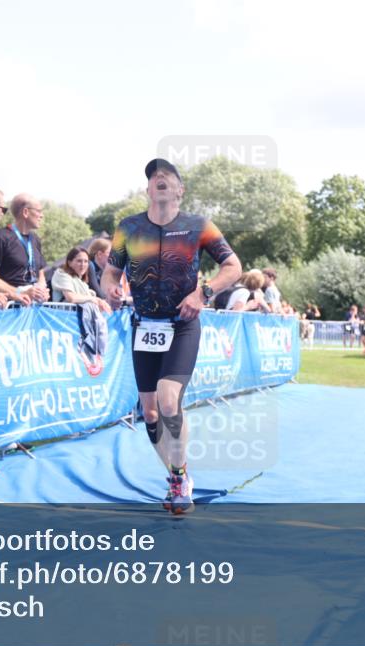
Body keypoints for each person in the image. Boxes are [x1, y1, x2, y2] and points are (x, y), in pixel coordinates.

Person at [102, 158, 241, 515]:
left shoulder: (198, 226)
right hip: (144, 324)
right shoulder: (129, 227)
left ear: (180, 190)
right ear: (148, 190)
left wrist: (203, 294)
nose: (159, 178)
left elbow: (233, 266)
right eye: (153, 177)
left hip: (182, 323)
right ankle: (178, 474)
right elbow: (110, 273)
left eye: (167, 176)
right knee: (149, 412)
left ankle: (178, 479)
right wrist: (110, 290)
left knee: (167, 400)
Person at [0, 193, 49, 303]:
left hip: (32, 308)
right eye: (39, 211)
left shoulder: (36, 239)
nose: (42, 215)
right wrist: (18, 292)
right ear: (25, 212)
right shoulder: (1, 237)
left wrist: (41, 290)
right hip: (8, 309)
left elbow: (41, 274)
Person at [51, 246, 113, 312]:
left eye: (86, 261)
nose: (83, 265)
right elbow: (71, 298)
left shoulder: (82, 282)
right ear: (69, 263)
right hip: (63, 318)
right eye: (79, 261)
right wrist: (95, 299)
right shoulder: (61, 274)